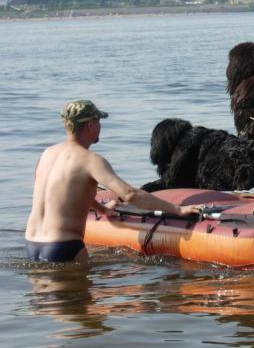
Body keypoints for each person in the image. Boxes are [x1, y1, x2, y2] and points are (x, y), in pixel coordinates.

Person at [25, 100, 202, 263]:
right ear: (90, 125)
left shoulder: (46, 155)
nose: (100, 126)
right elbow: (130, 194)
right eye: (99, 121)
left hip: (32, 244)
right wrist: (177, 209)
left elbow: (63, 194)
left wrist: (101, 209)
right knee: (79, 297)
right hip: (63, 247)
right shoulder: (90, 160)